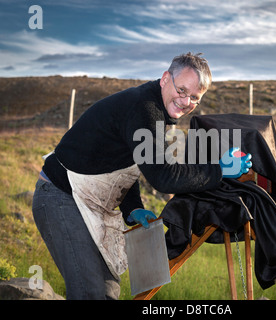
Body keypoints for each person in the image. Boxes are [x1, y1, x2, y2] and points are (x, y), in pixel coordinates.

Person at [32, 52, 252, 300]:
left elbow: (125, 162)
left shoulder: (159, 112)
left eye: (194, 98)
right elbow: (163, 176)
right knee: (89, 292)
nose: (185, 101)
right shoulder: (144, 108)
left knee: (107, 291)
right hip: (60, 196)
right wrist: (219, 169)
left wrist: (133, 207)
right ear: (165, 78)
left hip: (88, 200)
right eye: (181, 90)